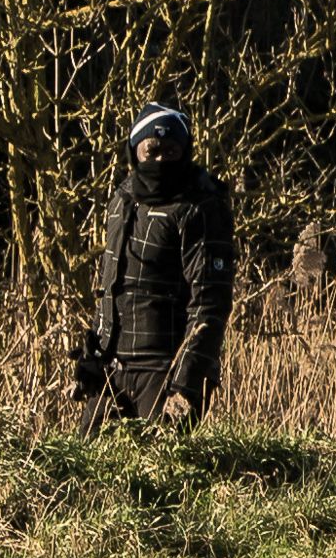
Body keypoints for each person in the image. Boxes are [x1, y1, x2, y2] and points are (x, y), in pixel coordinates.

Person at [76, 104, 238, 431]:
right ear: (135, 150)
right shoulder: (121, 201)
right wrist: (93, 353)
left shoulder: (201, 208)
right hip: (112, 373)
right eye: (153, 150)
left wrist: (184, 388)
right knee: (80, 475)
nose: (161, 159)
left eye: (172, 150)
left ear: (186, 151)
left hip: (164, 373)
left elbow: (210, 306)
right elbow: (112, 285)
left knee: (156, 476)